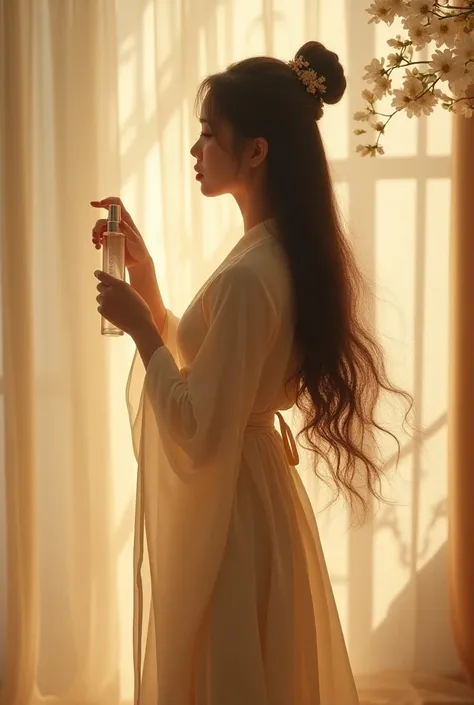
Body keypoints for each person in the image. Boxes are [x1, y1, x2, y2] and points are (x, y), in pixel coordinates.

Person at [91, 40, 409, 705]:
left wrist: (141, 328)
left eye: (209, 134)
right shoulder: (278, 254)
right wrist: (148, 288)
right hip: (261, 491)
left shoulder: (248, 275)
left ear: (256, 151)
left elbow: (199, 422)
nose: (194, 150)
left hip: (234, 508)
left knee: (229, 666)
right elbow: (225, 378)